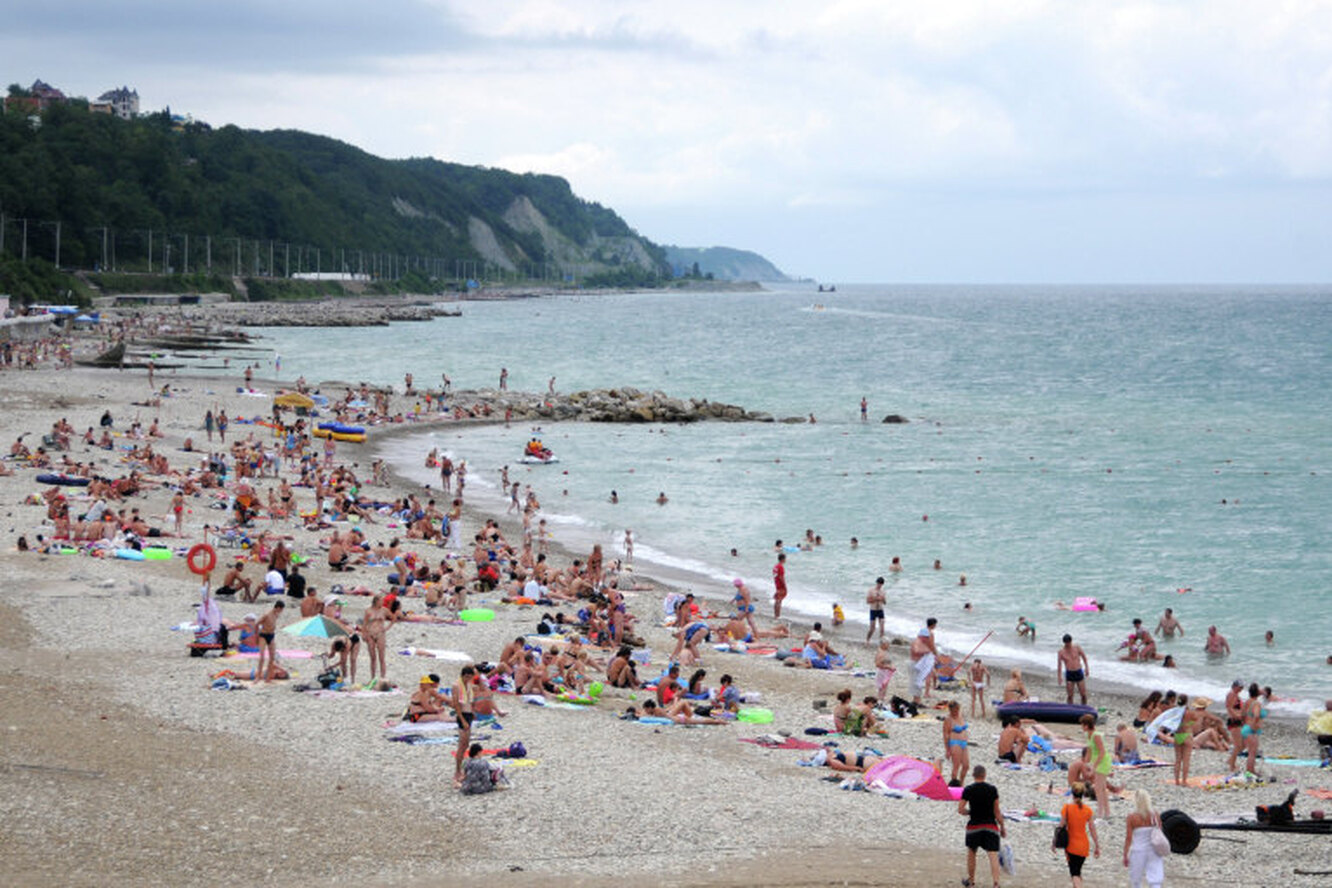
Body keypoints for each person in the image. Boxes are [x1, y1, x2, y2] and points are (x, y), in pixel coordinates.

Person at [958, 764, 1005, 888]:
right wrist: (1003, 827)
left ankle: (971, 881)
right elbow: (997, 811)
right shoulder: (992, 789)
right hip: (990, 826)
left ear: (973, 775)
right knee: (993, 854)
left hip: (974, 826)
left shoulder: (968, 789)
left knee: (972, 852)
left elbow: (960, 809)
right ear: (984, 775)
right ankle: (995, 883)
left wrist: (970, 812)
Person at [1122, 789, 1166, 888]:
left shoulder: (1132, 817)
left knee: (1136, 879)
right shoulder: (1155, 815)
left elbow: (1128, 838)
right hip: (1154, 849)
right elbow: (1159, 832)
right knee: (1155, 878)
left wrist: (1125, 854)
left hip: (1138, 850)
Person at [1059, 782, 1100, 888]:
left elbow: (1060, 826)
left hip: (1071, 845)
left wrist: (1054, 842)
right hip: (1083, 845)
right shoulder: (1087, 810)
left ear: (1072, 793)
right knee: (1077, 871)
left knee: (1074, 874)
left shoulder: (1067, 808)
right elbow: (1092, 829)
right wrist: (1097, 845)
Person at [1079, 713, 1114, 819]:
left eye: (1082, 724)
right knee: (1101, 788)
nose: (1081, 727)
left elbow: (1102, 751)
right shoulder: (1088, 735)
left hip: (1103, 761)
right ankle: (1106, 812)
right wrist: (1085, 763)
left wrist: (1094, 766)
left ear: (1086, 725)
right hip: (1097, 761)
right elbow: (1089, 750)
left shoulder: (1096, 735)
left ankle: (1102, 812)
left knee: (1099, 788)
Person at [1167, 694, 1203, 785]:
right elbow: (1196, 719)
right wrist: (1189, 723)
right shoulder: (1189, 712)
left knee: (1178, 759)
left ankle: (1176, 781)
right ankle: (1184, 781)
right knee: (1186, 760)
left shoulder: (1175, 712)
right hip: (1187, 734)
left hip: (1178, 735)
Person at [452, 665, 477, 786]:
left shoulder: (469, 685)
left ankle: (461, 769)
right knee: (462, 744)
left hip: (468, 714)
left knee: (466, 743)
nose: (468, 679)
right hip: (462, 715)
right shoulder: (456, 686)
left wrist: (472, 713)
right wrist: (462, 720)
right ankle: (457, 771)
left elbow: (469, 701)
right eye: (466, 676)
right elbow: (456, 704)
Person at [909, 618, 939, 706]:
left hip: (918, 654)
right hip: (926, 655)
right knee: (926, 674)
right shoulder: (930, 633)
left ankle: (917, 698)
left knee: (918, 676)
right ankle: (924, 694)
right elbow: (931, 645)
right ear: (933, 625)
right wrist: (936, 654)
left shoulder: (921, 631)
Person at [255, 599, 285, 683]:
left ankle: (267, 678)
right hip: (263, 635)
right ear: (278, 607)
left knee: (272, 657)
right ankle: (258, 677)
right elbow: (257, 624)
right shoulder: (267, 614)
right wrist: (256, 636)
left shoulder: (276, 615)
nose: (281, 611)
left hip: (271, 635)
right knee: (262, 657)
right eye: (281, 609)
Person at [943, 700, 970, 785]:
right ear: (950, 710)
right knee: (956, 766)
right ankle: (954, 785)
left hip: (964, 743)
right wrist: (947, 750)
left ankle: (961, 783)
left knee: (966, 765)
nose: (956, 712)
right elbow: (946, 735)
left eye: (957, 710)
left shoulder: (960, 716)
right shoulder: (948, 720)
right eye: (954, 711)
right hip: (955, 743)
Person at [1058, 634, 1090, 705]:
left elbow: (1084, 658)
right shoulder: (1061, 652)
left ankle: (1084, 707)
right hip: (1069, 673)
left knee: (1083, 694)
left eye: (1069, 643)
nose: (1068, 645)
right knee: (1070, 695)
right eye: (1066, 643)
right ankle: (1070, 709)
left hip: (1078, 671)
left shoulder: (1077, 648)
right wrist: (1059, 677)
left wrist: (1087, 668)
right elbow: (1059, 665)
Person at [1240, 681, 1265, 772]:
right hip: (1251, 729)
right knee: (1252, 753)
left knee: (1251, 751)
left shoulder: (1246, 702)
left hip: (1246, 727)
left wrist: (1244, 723)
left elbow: (1242, 715)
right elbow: (1256, 715)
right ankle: (1251, 771)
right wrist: (1254, 726)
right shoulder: (1256, 703)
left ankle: (1250, 770)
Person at [1225, 679, 1246, 772]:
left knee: (1243, 744)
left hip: (1239, 721)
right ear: (1235, 686)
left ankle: (1230, 760)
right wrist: (1236, 716)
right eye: (1240, 687)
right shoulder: (1231, 694)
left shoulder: (1236, 695)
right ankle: (1232, 765)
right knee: (1238, 745)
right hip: (1234, 721)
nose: (1241, 689)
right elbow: (1229, 708)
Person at [866, 576, 886, 643]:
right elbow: (867, 601)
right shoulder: (871, 590)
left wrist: (883, 599)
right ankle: (867, 640)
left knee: (882, 628)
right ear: (876, 583)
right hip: (873, 610)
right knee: (872, 628)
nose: (879, 585)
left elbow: (885, 602)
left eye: (881, 584)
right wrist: (876, 599)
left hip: (880, 610)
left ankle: (881, 642)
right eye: (879, 584)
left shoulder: (883, 591)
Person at [771, 552, 788, 619]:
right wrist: (784, 585)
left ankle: (776, 614)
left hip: (777, 584)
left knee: (777, 599)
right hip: (780, 585)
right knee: (779, 600)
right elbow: (781, 577)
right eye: (785, 558)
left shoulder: (776, 566)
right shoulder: (781, 567)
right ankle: (777, 615)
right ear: (783, 559)